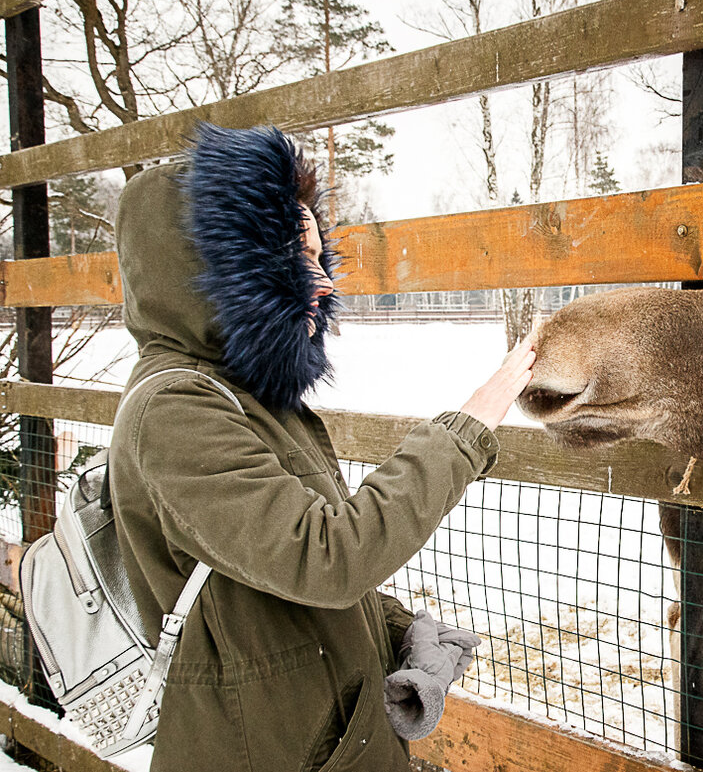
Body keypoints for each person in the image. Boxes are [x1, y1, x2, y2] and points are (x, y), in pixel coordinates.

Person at [108, 122, 534, 772]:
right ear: (221, 270)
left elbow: (271, 579)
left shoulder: (249, 397)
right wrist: (464, 431)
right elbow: (328, 554)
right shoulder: (174, 410)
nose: (324, 281)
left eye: (317, 254)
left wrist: (395, 633)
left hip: (323, 735)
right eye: (295, 257)